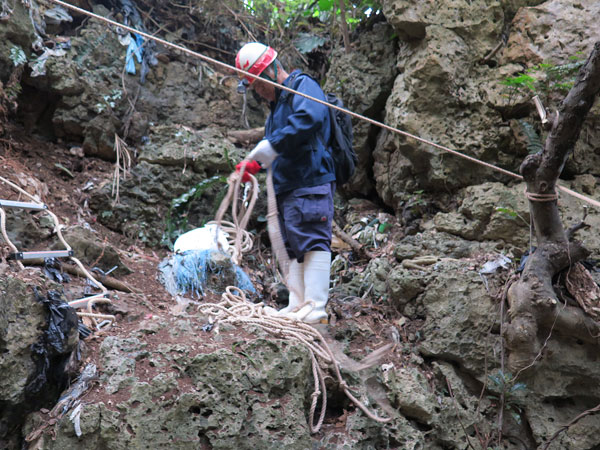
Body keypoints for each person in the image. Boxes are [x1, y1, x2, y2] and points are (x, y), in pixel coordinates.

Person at [234, 42, 335, 324]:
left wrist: (269, 148)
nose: (257, 90)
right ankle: (297, 304)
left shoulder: (303, 86)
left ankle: (315, 307)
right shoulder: (277, 108)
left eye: (257, 84)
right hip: (290, 186)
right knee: (293, 244)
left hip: (310, 180)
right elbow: (278, 144)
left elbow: (309, 118)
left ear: (271, 70)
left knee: (312, 239)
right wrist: (256, 163)